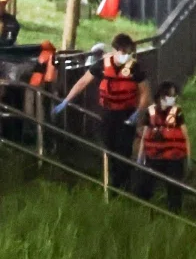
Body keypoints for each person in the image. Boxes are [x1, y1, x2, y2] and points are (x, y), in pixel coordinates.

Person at [52, 33, 150, 191]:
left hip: (127, 114)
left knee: (124, 149)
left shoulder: (135, 68)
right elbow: (83, 81)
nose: (126, 56)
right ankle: (113, 182)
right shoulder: (102, 65)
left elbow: (145, 92)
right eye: (123, 52)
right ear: (115, 50)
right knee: (109, 148)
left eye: (128, 52)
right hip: (108, 113)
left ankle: (122, 184)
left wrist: (138, 112)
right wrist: (66, 101)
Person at [133, 82, 191, 213]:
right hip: (154, 156)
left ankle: (174, 213)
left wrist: (188, 158)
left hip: (174, 157)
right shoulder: (150, 111)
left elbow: (185, 135)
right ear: (162, 96)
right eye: (171, 95)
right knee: (145, 185)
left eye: (175, 96)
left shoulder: (177, 112)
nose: (174, 98)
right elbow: (145, 135)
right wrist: (140, 157)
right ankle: (141, 210)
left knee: (174, 189)